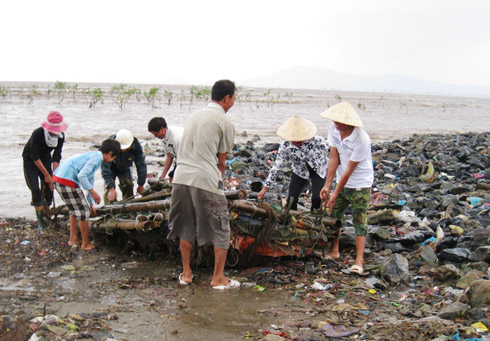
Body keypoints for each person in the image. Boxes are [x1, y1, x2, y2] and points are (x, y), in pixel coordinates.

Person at [167, 79, 239, 289]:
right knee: (220, 227)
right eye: (234, 98)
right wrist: (219, 183)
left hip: (181, 177)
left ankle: (187, 274)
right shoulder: (225, 123)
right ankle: (218, 278)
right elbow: (221, 162)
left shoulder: (193, 116)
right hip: (205, 178)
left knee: (185, 225)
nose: (233, 102)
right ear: (226, 99)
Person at [319, 101, 374, 275]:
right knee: (335, 215)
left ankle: (359, 260)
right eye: (335, 120)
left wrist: (336, 192)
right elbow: (334, 157)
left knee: (359, 219)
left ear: (350, 122)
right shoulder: (334, 130)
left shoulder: (362, 139)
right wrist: (328, 185)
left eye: (340, 121)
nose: (337, 124)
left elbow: (350, 169)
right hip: (342, 179)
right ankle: (334, 250)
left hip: (360, 183)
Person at [53, 139, 121, 250]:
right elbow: (82, 176)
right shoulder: (97, 158)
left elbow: (89, 179)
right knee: (84, 213)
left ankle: (73, 238)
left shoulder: (94, 156)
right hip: (66, 181)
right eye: (113, 158)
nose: (111, 161)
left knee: (74, 210)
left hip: (59, 179)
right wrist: (93, 192)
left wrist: (90, 203)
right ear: (109, 154)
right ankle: (85, 243)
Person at [258, 115, 329, 211]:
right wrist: (265, 189)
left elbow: (331, 150)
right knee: (291, 198)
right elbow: (276, 167)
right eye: (295, 141)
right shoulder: (285, 146)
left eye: (300, 140)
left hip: (319, 169)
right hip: (300, 171)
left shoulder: (315, 139)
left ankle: (315, 218)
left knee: (317, 198)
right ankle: (292, 218)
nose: (298, 142)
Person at [23, 111, 67, 229]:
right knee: (35, 189)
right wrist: (47, 175)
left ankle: (46, 213)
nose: (54, 132)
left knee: (49, 187)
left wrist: (54, 177)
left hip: (46, 158)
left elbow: (56, 157)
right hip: (30, 160)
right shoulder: (38, 133)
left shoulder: (60, 137)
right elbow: (35, 156)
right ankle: (40, 221)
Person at [101, 129, 147, 204]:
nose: (124, 150)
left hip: (125, 167)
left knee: (128, 186)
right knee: (108, 191)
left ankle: (128, 209)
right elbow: (105, 168)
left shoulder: (136, 145)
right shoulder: (109, 145)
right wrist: (111, 188)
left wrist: (141, 184)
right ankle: (108, 210)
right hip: (111, 167)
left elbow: (141, 164)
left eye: (126, 148)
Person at [147, 117, 184, 183]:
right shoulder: (163, 137)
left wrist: (173, 174)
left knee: (176, 180)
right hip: (181, 158)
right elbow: (169, 155)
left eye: (156, 134)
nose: (155, 137)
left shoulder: (177, 139)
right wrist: (162, 176)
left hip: (191, 158)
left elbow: (181, 160)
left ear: (162, 129)